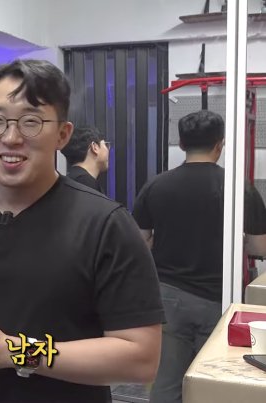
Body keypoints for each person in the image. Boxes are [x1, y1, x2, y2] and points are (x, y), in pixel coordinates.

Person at [0, 59, 164, 402]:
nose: (11, 137)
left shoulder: (106, 224)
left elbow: (141, 358)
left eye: (31, 122)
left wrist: (15, 352)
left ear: (62, 134)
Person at [132, 109, 266, 403]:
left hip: (167, 297)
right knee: (212, 384)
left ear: (181, 144)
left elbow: (140, 242)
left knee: (166, 383)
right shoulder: (238, 187)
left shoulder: (156, 185)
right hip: (220, 298)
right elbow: (259, 248)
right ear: (220, 143)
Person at [60, 125, 110, 193]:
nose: (108, 150)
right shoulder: (87, 185)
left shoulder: (69, 180)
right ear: (94, 147)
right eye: (106, 145)